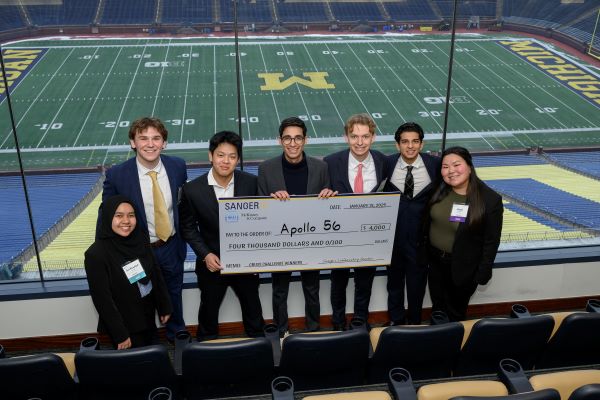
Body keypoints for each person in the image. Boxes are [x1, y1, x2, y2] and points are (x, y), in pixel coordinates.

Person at [102, 117, 188, 341]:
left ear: (164, 143)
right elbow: (107, 216)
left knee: (174, 294)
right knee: (139, 296)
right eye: (143, 138)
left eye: (156, 138)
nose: (150, 144)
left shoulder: (178, 166)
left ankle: (177, 337)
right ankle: (145, 341)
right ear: (133, 142)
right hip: (136, 252)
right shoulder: (117, 175)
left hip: (169, 247)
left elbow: (183, 206)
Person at [179, 131, 265, 341]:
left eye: (232, 156)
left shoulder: (251, 183)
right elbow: (188, 228)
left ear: (238, 159)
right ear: (210, 156)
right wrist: (205, 255)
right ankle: (205, 359)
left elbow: (263, 219)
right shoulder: (192, 190)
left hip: (245, 263)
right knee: (208, 317)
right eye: (220, 155)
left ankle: (263, 356)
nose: (226, 161)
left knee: (254, 315)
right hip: (211, 263)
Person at [258, 116, 336, 336]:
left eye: (297, 138)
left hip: (310, 240)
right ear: (279, 140)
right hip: (280, 241)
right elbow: (259, 209)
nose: (293, 143)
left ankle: (313, 331)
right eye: (287, 138)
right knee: (279, 291)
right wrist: (271, 201)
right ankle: (280, 333)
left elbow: (326, 205)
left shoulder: (321, 167)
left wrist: (328, 196)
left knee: (312, 289)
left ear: (306, 140)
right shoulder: (266, 168)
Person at [422, 146, 503, 321]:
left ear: (469, 166)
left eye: (456, 164)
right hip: (436, 264)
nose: (451, 171)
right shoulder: (438, 190)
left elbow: (492, 241)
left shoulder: (490, 200)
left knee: (455, 313)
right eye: (445, 166)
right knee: (438, 310)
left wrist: (482, 272)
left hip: (463, 268)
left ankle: (454, 345)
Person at [324, 114, 387, 330]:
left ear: (373, 137)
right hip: (339, 236)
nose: (360, 142)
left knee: (364, 284)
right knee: (338, 283)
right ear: (346, 137)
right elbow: (320, 201)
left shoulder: (383, 162)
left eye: (365, 136)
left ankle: (360, 321)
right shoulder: (330, 163)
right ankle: (338, 324)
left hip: (369, 236)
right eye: (354, 136)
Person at [85, 195, 172, 349]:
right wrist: (120, 334)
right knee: (133, 368)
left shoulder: (140, 240)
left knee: (154, 360)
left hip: (147, 317)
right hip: (125, 326)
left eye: (131, 215)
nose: (126, 221)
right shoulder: (96, 254)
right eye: (119, 216)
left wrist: (164, 305)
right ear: (107, 217)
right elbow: (102, 300)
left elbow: (155, 274)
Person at [384, 122, 440, 325]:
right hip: (393, 241)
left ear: (422, 144)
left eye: (415, 141)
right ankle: (396, 324)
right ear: (397, 145)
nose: (410, 146)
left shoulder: (435, 165)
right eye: (405, 142)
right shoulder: (386, 164)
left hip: (421, 242)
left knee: (417, 287)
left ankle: (415, 324)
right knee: (394, 286)